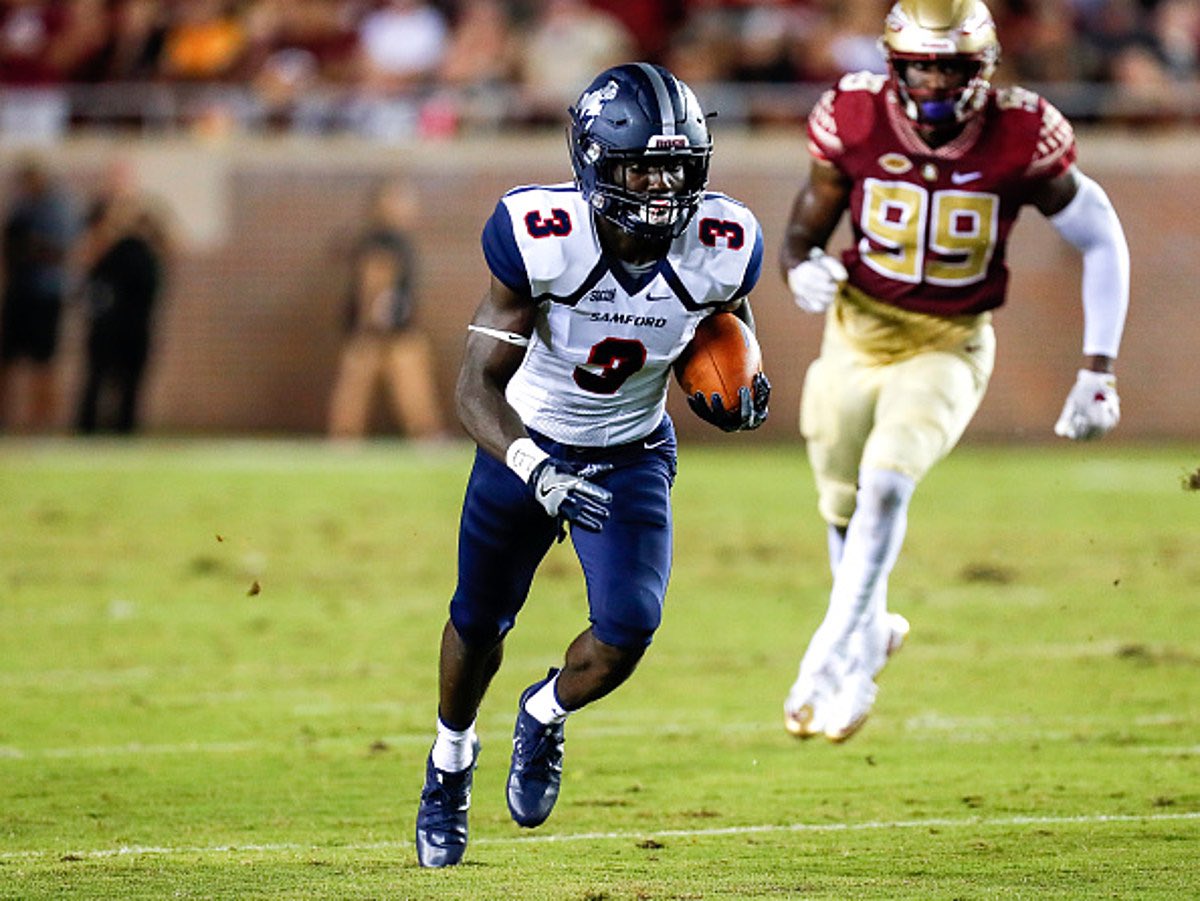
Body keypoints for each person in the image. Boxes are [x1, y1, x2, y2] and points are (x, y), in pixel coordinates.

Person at [414, 62, 770, 868]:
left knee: (629, 626)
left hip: (629, 449)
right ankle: (449, 761)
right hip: (524, 443)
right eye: (640, 166)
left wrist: (745, 383)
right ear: (593, 162)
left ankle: (543, 710)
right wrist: (533, 464)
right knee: (477, 620)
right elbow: (475, 385)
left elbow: (731, 331)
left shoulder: (724, 242)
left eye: (674, 169)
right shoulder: (542, 235)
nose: (657, 187)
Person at [778, 0, 1129, 743]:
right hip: (856, 328)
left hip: (949, 338)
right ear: (894, 65)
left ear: (985, 69)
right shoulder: (855, 115)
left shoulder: (1022, 131)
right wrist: (798, 269)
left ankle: (833, 650)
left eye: (953, 66)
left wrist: (1098, 368)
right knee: (841, 503)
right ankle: (869, 634)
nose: (935, 81)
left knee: (887, 484)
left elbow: (1101, 237)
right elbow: (805, 229)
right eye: (922, 65)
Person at [326, 178, 446, 441]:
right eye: (400, 201)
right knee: (381, 390)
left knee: (379, 389)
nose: (407, 208)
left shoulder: (388, 239)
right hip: (384, 331)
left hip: (389, 329)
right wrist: (371, 323)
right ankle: (426, 437)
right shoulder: (385, 240)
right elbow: (374, 281)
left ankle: (344, 442)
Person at [74, 159, 172, 435]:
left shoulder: (148, 214)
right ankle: (88, 429)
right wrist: (113, 226)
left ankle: (125, 429)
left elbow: (171, 246)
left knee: (133, 374)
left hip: (138, 312)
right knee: (99, 371)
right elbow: (87, 256)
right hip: (108, 311)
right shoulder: (100, 214)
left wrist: (142, 227)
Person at [0, 156, 78, 433]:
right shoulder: (21, 207)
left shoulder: (57, 208)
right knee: (7, 358)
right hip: (19, 292)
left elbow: (61, 250)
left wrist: (32, 247)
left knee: (44, 361)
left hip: (46, 295)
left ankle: (42, 423)